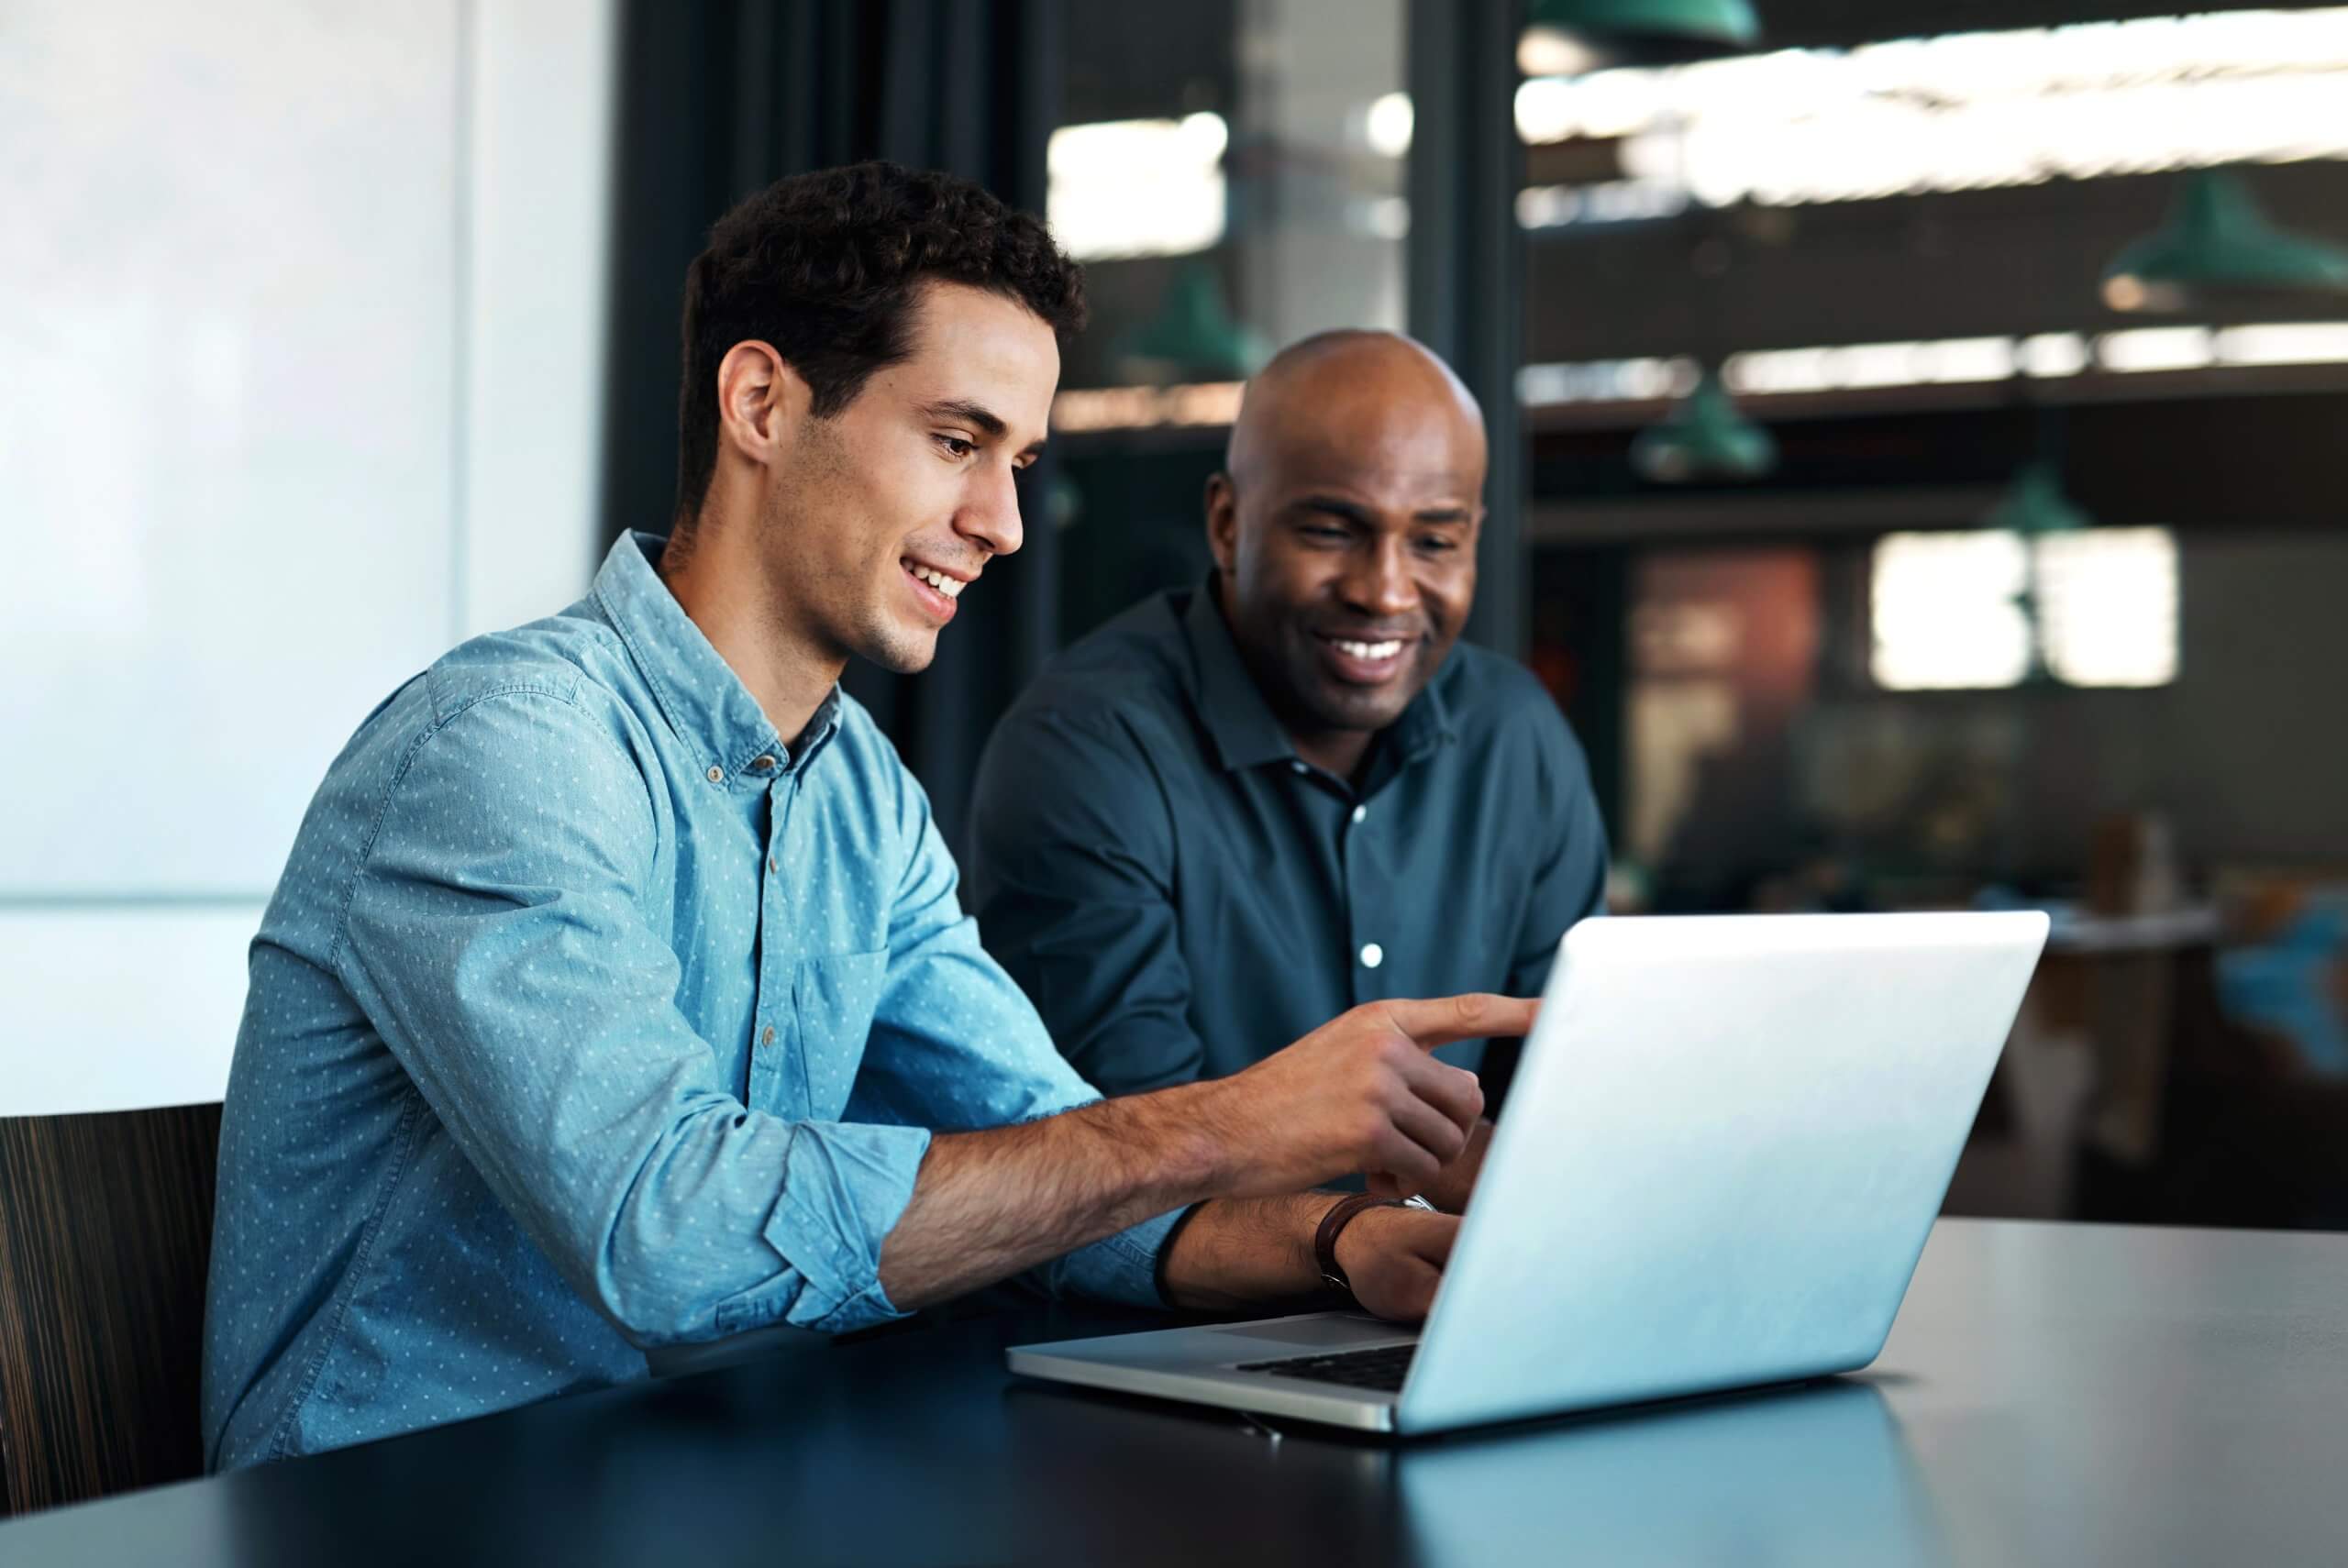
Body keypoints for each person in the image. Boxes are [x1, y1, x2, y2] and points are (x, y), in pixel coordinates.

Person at [201, 166, 1523, 1469]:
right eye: (956, 442)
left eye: (1019, 462)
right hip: (396, 1509)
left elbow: (1060, 1167)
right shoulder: (508, 747)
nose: (1003, 523)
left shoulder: (861, 798)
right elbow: (670, 1234)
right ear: (762, 403)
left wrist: (1345, 1241)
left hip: (705, 1481)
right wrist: (1231, 1120)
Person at [967, 330, 1609, 1210]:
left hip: (1461, 1278)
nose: (1385, 591)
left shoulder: (1516, 736)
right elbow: (1125, 1162)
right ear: (1228, 524)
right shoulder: (1086, 746)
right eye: (1333, 531)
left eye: (1433, 541)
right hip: (1179, 1294)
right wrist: (1368, 1242)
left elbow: (1570, 1094)